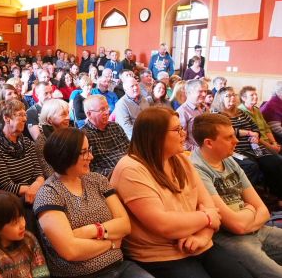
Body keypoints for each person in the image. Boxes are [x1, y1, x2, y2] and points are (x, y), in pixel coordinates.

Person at [110, 107, 253, 278]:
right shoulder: (130, 169)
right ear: (156, 135)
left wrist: (202, 236)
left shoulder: (181, 159)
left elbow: (209, 205)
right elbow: (163, 224)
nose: (184, 134)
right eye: (177, 130)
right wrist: (206, 218)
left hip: (199, 243)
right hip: (159, 254)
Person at [33, 128, 153, 278]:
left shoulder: (97, 180)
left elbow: (125, 225)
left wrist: (91, 231)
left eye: (89, 150)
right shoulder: (49, 193)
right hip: (82, 274)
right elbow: (71, 251)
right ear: (66, 156)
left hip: (119, 266)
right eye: (84, 152)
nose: (91, 156)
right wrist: (111, 244)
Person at [191, 113, 282, 278]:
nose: (236, 141)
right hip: (230, 239)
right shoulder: (196, 169)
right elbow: (235, 226)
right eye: (229, 137)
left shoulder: (228, 159)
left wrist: (249, 218)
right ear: (209, 143)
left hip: (256, 228)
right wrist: (251, 211)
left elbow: (264, 210)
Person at [212, 87, 282, 203]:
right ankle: (249, 199)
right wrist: (247, 132)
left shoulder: (241, 112)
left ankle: (276, 195)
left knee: (275, 162)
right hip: (236, 149)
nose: (232, 97)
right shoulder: (218, 114)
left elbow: (255, 127)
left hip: (254, 148)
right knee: (251, 166)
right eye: (228, 96)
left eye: (233, 95)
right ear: (220, 99)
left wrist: (256, 135)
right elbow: (225, 131)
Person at [0, 100, 44, 203]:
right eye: (20, 115)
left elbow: (39, 173)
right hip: (11, 201)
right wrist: (33, 190)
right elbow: (5, 186)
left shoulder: (27, 142)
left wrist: (36, 187)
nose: (25, 119)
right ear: (6, 118)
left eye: (25, 115)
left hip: (35, 193)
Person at [0, 192, 50, 278]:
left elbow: (42, 272)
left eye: (22, 217)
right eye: (15, 222)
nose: (22, 225)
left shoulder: (28, 239)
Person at [83, 95, 129, 177]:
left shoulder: (115, 126)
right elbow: (89, 168)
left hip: (131, 167)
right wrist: (117, 173)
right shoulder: (84, 136)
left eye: (107, 108)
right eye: (102, 109)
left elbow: (130, 149)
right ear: (89, 114)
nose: (107, 112)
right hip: (112, 177)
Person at [239, 85, 281, 154]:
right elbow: (252, 135)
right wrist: (271, 147)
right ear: (244, 98)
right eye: (252, 95)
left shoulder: (256, 109)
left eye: (256, 94)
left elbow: (266, 128)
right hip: (256, 145)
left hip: (268, 143)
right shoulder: (240, 111)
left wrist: (274, 143)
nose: (255, 97)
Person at [35, 98, 70, 178]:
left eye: (68, 113)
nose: (68, 117)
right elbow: (48, 171)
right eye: (63, 114)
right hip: (58, 181)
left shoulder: (71, 133)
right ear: (50, 119)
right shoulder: (42, 141)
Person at [114, 76, 150, 140]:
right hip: (133, 138)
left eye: (136, 85)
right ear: (125, 90)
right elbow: (126, 128)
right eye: (132, 86)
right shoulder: (121, 104)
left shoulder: (144, 100)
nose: (135, 88)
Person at [177, 79, 208, 151]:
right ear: (189, 93)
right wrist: (200, 151)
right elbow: (181, 141)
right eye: (200, 91)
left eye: (205, 91)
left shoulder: (204, 107)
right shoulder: (182, 112)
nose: (204, 94)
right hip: (194, 155)